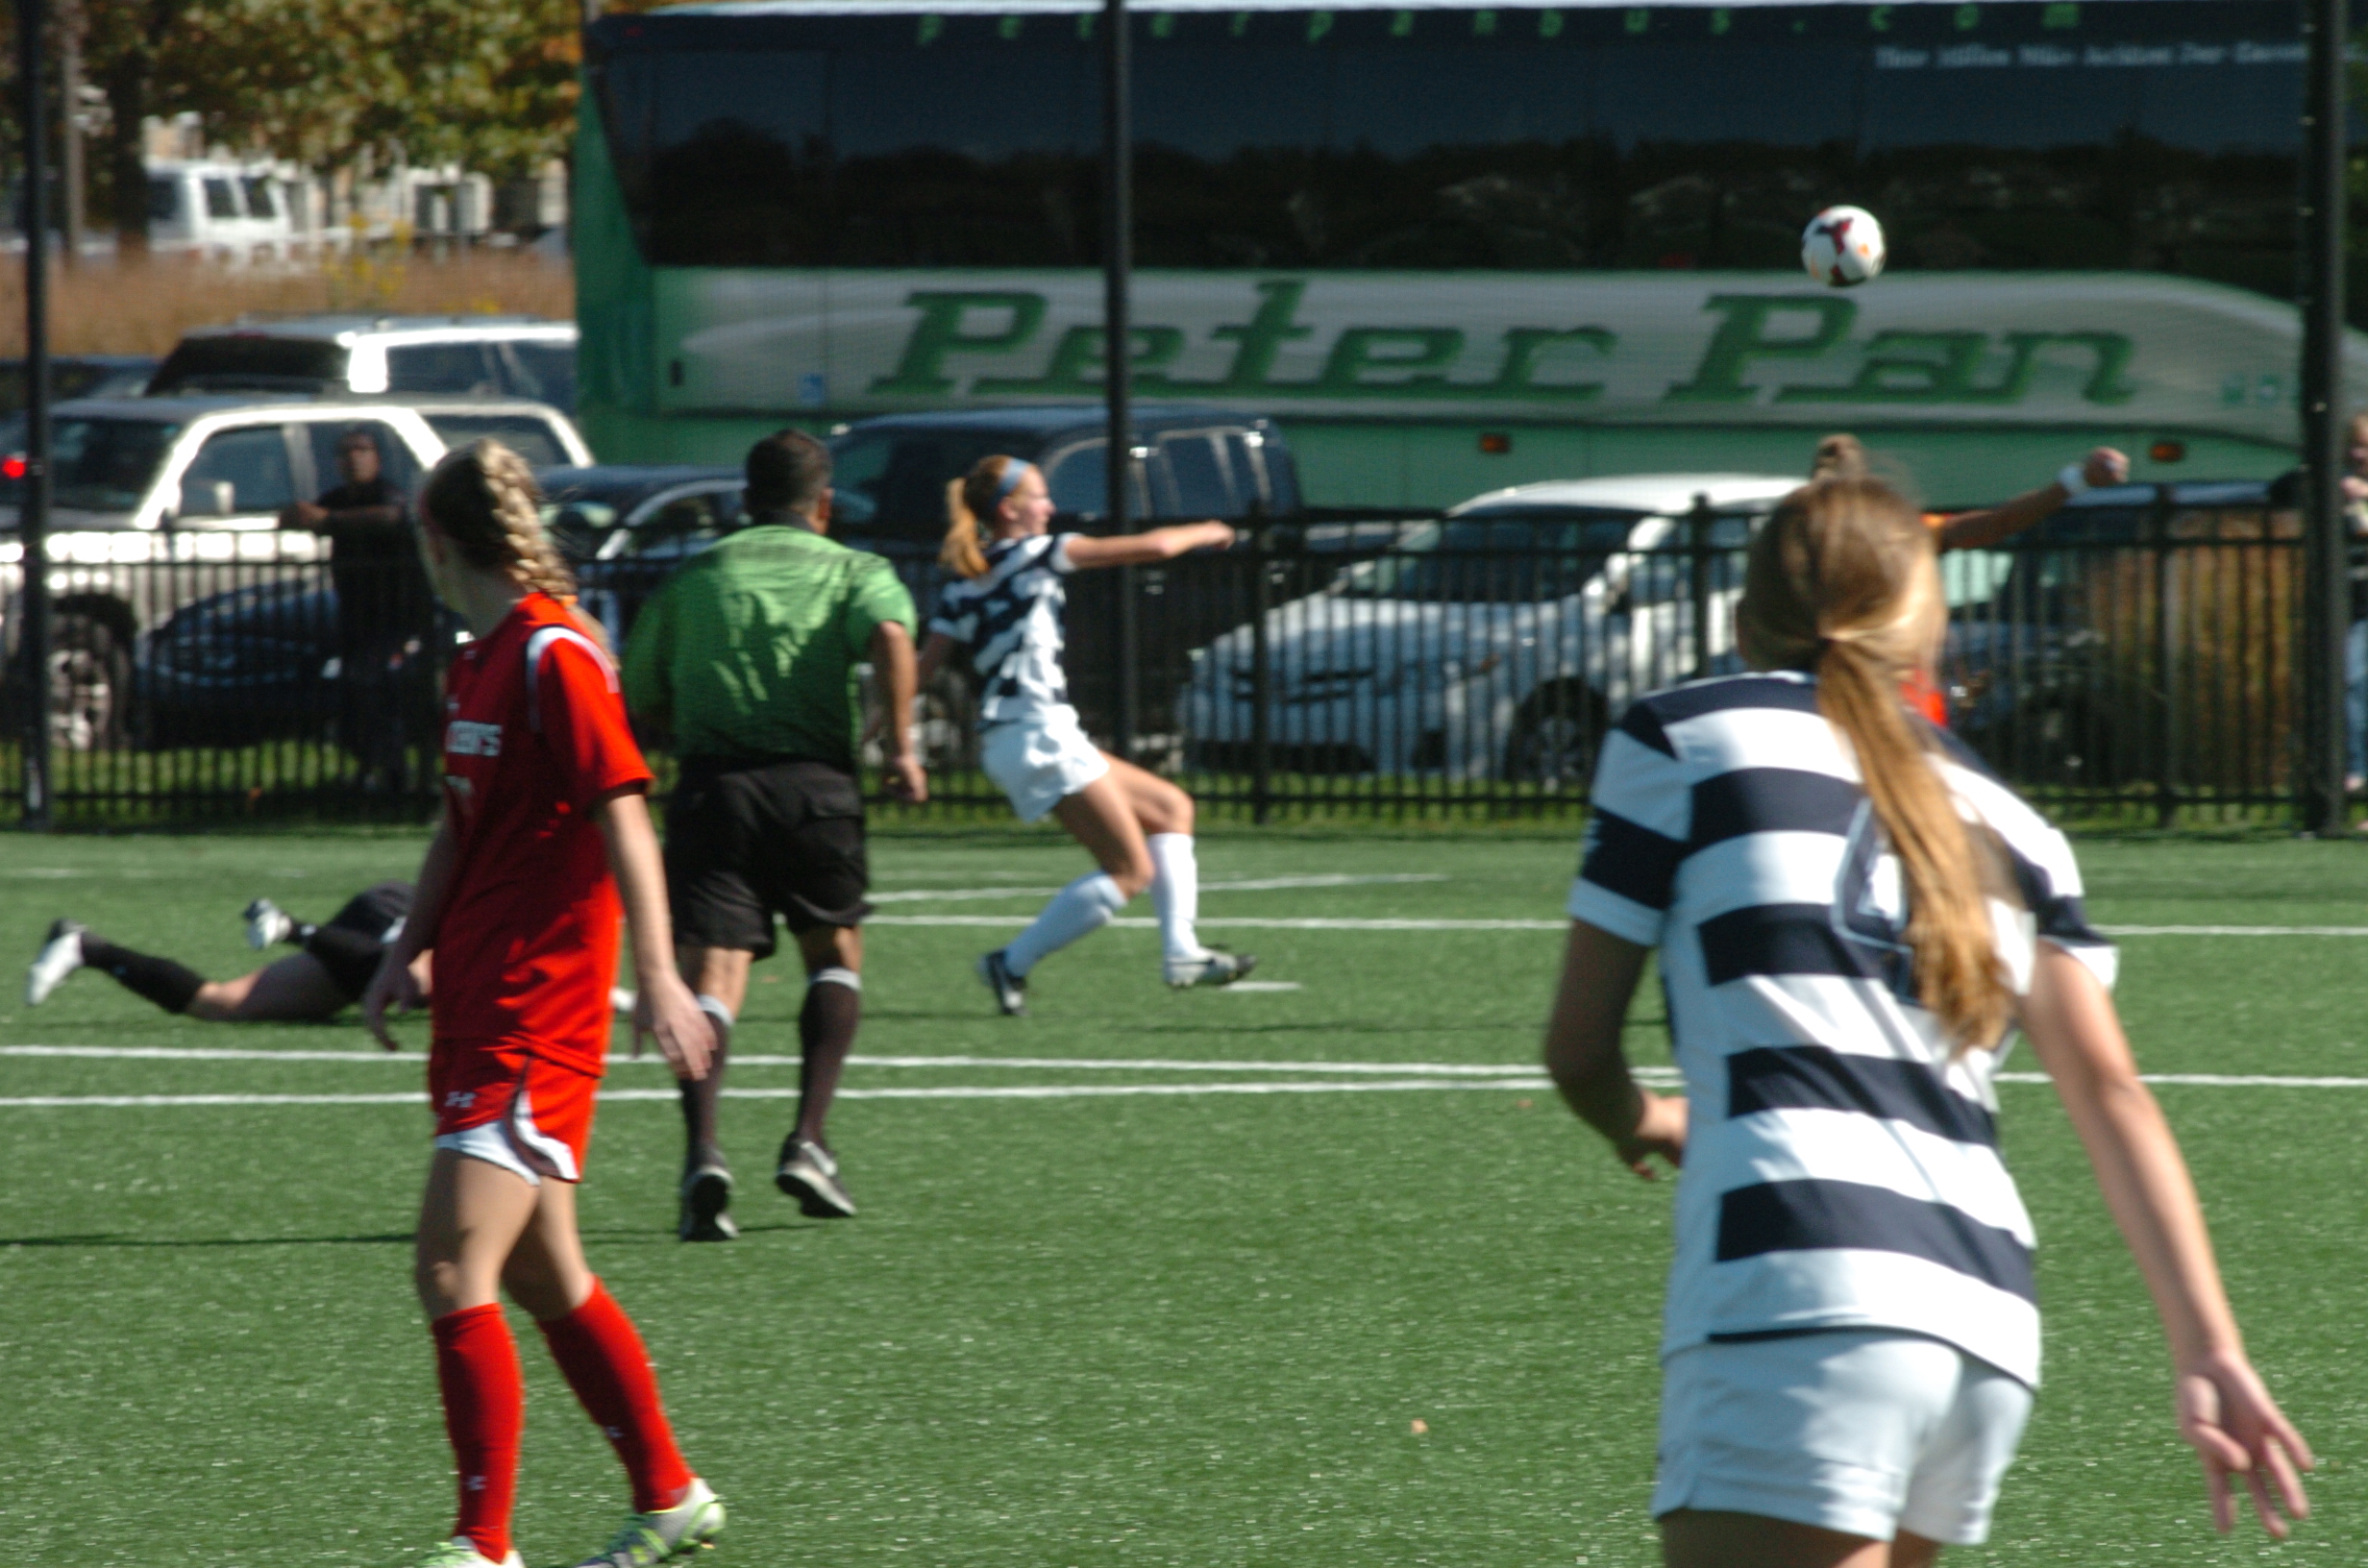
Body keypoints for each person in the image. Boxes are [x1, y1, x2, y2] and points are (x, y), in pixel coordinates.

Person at [1543, 475, 2310, 1566]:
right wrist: (2210, 1346)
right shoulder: (2015, 822)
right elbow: (2112, 1096)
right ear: (1924, 630)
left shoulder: (1683, 736)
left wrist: (1642, 1118)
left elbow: (1577, 1050)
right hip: (1983, 1311)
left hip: (1803, 1279)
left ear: (1743, 617)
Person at [359, 441, 724, 1568]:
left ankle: (483, 1545)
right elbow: (459, 827)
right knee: (539, 1269)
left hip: (539, 1013)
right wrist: (404, 949)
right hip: (479, 1000)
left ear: (436, 540)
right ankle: (669, 1494)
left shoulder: (556, 654)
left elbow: (626, 815)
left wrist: (658, 974)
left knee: (447, 1267)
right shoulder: (477, 663)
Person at [622, 428, 925, 1237]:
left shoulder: (695, 576)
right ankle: (809, 1140)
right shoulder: (854, 570)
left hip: (714, 790)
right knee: (834, 955)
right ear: (823, 504)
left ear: (745, 501)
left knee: (712, 980)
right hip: (815, 790)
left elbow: (639, 692)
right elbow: (892, 638)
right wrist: (901, 747)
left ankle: (703, 1155)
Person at [916, 455, 1254, 1017]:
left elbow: (920, 669)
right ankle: (1010, 962)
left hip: (1023, 734)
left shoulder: (965, 580)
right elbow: (1155, 547)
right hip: (1036, 733)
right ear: (1010, 510)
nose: (1050, 506)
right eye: (1039, 496)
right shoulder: (1040, 551)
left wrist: (876, 731)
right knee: (1129, 871)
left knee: (1170, 808)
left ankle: (1181, 952)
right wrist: (1209, 530)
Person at [1808, 435, 2130, 725]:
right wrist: (2073, 484)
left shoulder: (1898, 534)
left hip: (1885, 707)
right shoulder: (1894, 535)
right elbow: (1996, 523)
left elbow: (1995, 524)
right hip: (1869, 708)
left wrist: (2074, 484)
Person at [280, 425, 436, 790]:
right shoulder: (339, 497)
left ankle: (398, 776)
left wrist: (330, 521)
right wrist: (300, 514)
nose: (354, 459)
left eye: (362, 450)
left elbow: (392, 516)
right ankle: (371, 768)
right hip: (356, 616)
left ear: (376, 458)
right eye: (346, 452)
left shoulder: (386, 494)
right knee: (351, 693)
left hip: (396, 616)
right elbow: (302, 516)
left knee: (379, 689)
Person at [24, 882, 425, 1020]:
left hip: (371, 944)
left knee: (220, 1004)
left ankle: (85, 947)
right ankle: (289, 927)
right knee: (415, 979)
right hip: (398, 912)